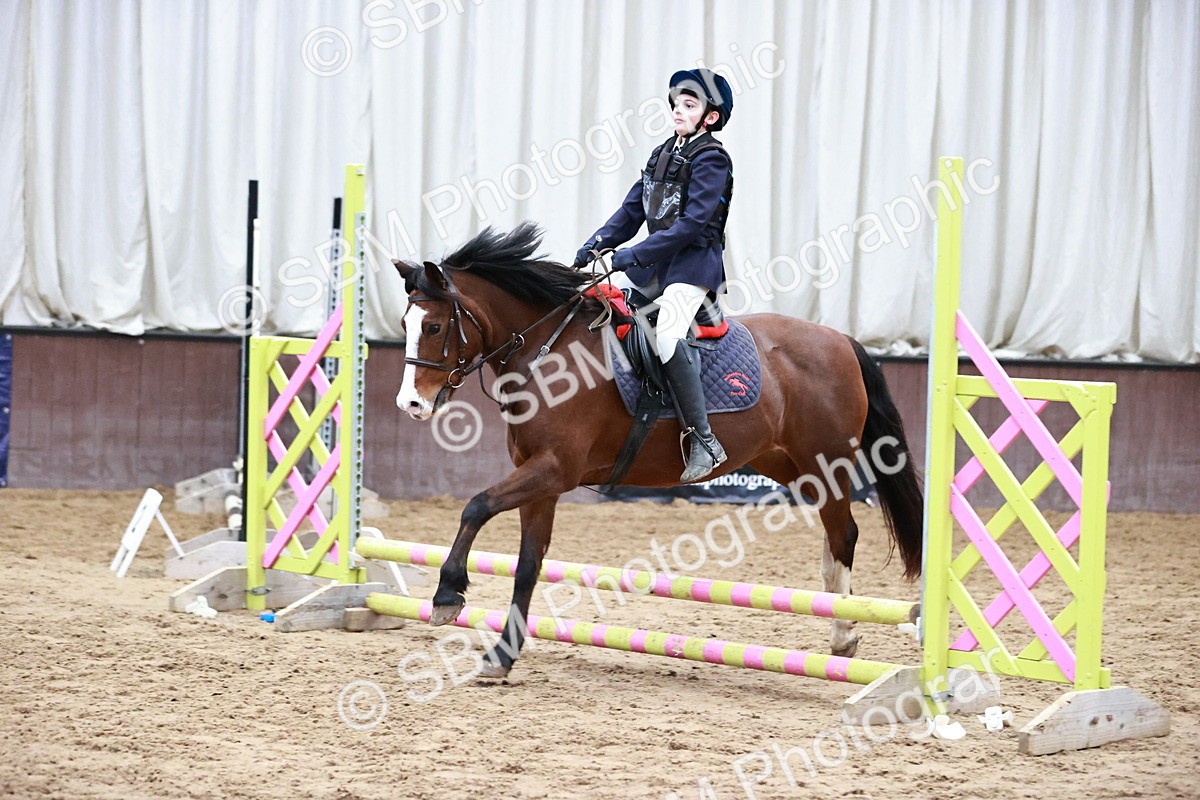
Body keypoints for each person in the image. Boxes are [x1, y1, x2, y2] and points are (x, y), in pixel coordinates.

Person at [573, 67, 735, 483]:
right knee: (594, 310)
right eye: (676, 103)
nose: (678, 111)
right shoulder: (662, 152)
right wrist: (596, 243)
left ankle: (704, 440)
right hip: (655, 270)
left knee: (666, 335)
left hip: (693, 268)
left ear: (710, 117)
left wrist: (631, 255)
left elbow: (693, 224)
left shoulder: (712, 158)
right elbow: (632, 210)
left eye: (689, 105)